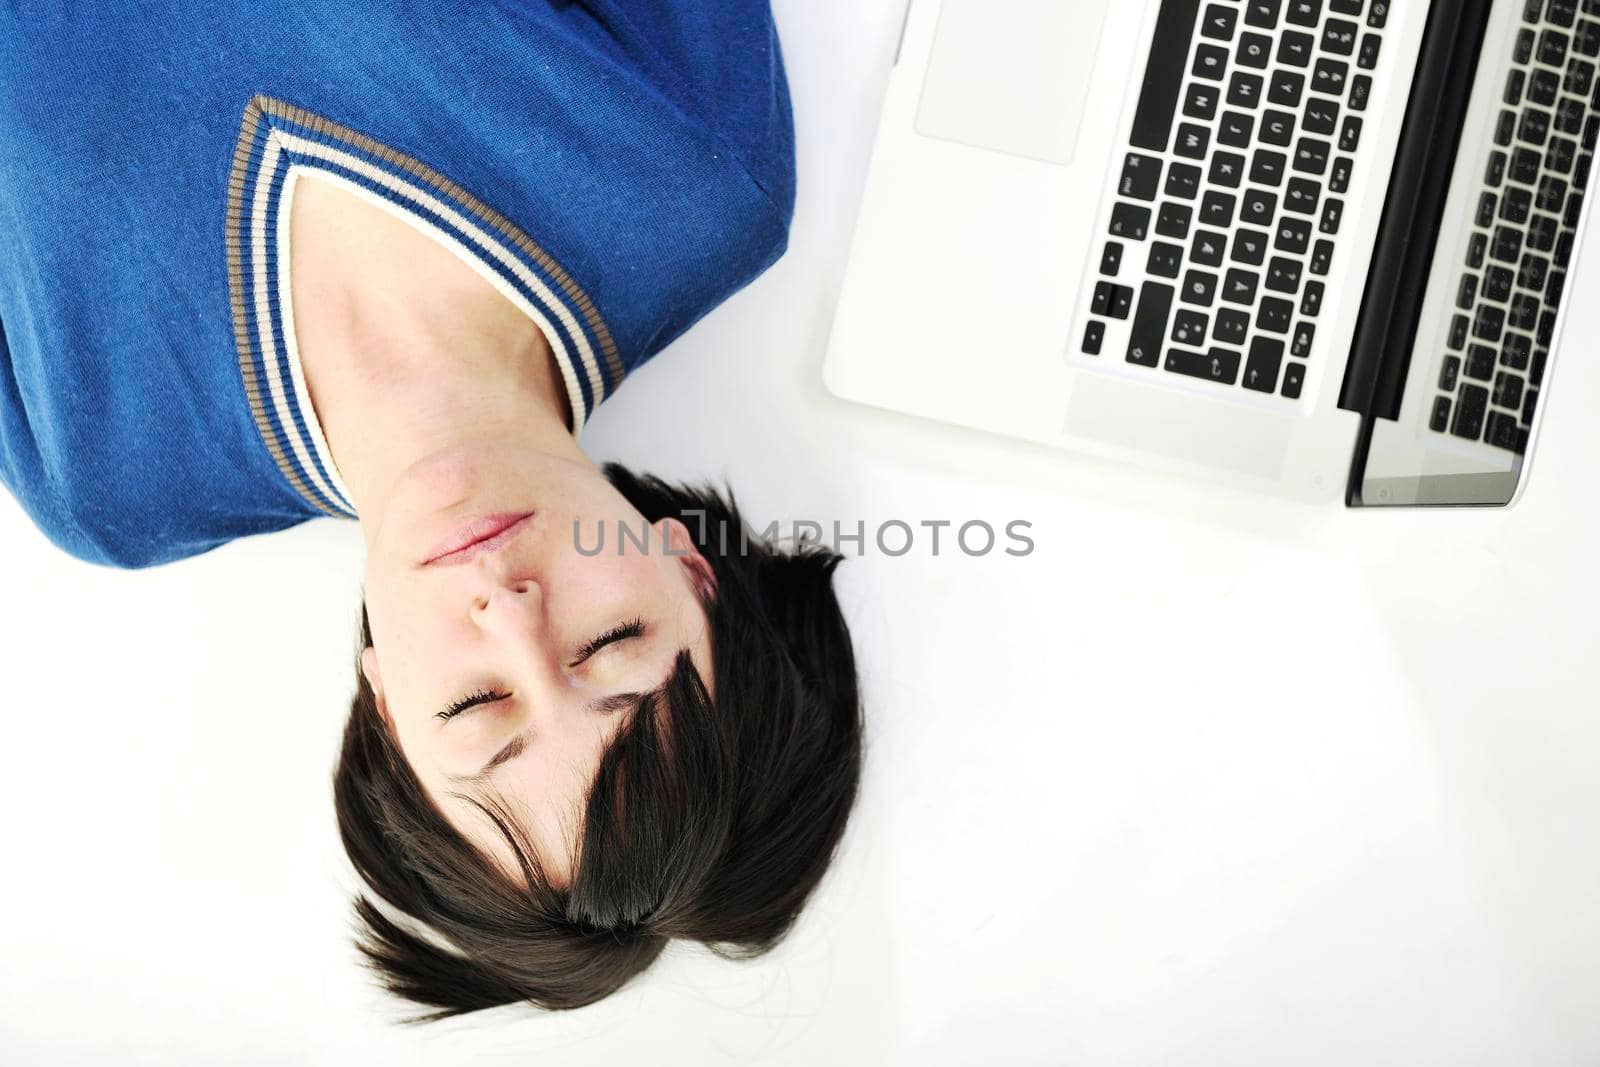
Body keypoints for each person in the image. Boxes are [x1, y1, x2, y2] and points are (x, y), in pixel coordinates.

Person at [0, 1, 863, 1020]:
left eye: (477, 706)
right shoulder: (695, 169)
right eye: (612, 640)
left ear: (386, 709)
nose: (509, 609)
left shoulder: (102, 472)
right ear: (692, 570)